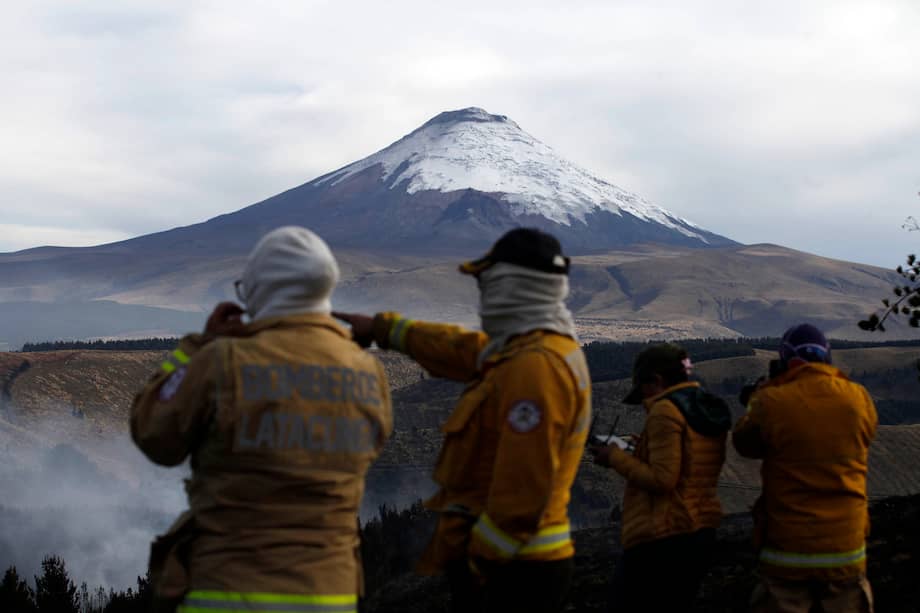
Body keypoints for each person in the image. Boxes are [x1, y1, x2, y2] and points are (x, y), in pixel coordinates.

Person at [130, 226, 392, 613]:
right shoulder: (368, 371)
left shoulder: (224, 360)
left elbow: (154, 435)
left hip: (229, 592)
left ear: (258, 291)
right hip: (330, 594)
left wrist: (195, 348)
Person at [336, 228, 591, 613]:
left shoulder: (535, 368)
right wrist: (383, 329)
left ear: (508, 286)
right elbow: (457, 347)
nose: (483, 295)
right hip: (518, 562)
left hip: (513, 570)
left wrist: (480, 559)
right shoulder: (527, 350)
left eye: (486, 283)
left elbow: (525, 488)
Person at [733, 323, 877, 613]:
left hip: (787, 553)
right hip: (846, 549)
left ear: (787, 360)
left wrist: (760, 397)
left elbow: (744, 443)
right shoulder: (858, 397)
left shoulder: (771, 401)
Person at [592, 343, 731, 612]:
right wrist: (642, 449)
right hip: (699, 527)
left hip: (663, 536)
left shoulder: (665, 411)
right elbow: (689, 466)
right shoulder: (699, 407)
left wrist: (615, 457)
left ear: (656, 380)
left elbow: (663, 480)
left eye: (644, 387)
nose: (643, 396)